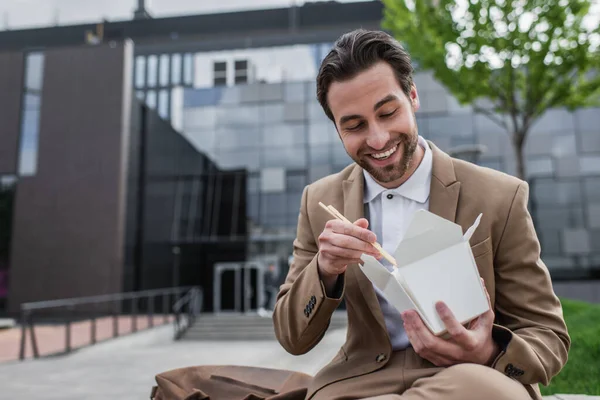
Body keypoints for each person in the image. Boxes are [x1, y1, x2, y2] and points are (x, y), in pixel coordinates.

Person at [272, 29, 570, 400]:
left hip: (469, 375)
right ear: (336, 128)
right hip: (363, 380)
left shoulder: (500, 196)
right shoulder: (319, 201)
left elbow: (548, 336)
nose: (378, 139)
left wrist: (487, 352)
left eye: (388, 112)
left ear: (413, 97)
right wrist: (324, 269)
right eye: (354, 125)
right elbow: (291, 337)